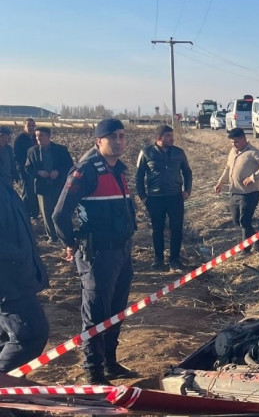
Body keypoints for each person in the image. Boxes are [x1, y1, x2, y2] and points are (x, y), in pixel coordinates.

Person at [52, 118, 137, 385]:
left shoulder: (119, 171)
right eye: (113, 136)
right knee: (96, 314)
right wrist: (70, 243)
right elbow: (59, 215)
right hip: (97, 255)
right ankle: (93, 371)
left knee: (115, 311)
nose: (119, 141)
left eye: (122, 136)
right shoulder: (85, 172)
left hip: (122, 253)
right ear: (99, 141)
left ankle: (110, 363)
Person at [0, 179, 50, 374]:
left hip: (17, 276)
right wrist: (17, 255)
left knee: (7, 339)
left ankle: (8, 399)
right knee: (28, 336)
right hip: (9, 282)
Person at [135, 125, 193, 271]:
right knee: (157, 229)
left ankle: (175, 259)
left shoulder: (179, 153)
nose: (171, 138)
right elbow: (139, 176)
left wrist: (187, 190)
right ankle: (158, 259)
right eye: (168, 136)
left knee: (176, 228)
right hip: (155, 198)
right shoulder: (146, 153)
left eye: (172, 135)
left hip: (175, 197)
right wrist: (143, 196)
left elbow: (187, 172)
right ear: (159, 138)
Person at [214, 128, 259, 254]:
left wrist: (253, 177)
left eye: (236, 141)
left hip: (250, 193)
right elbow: (228, 167)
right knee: (237, 221)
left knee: (244, 220)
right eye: (231, 142)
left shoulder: (253, 152)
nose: (233, 144)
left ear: (243, 139)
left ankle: (245, 250)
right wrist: (221, 182)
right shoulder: (233, 152)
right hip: (235, 192)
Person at [25, 127, 74, 243]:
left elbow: (69, 165)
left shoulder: (60, 150)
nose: (38, 138)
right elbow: (27, 168)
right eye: (36, 136)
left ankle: (64, 235)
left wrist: (58, 172)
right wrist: (38, 172)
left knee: (61, 212)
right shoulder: (32, 151)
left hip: (58, 186)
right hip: (42, 187)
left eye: (41, 135)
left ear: (49, 136)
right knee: (47, 213)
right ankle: (52, 236)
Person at [13, 118, 38, 219]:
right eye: (29, 126)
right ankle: (26, 213)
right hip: (25, 171)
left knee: (35, 192)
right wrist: (21, 171)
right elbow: (17, 157)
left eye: (33, 126)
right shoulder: (19, 139)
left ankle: (35, 213)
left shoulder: (36, 138)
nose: (31, 128)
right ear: (24, 126)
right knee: (27, 193)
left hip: (36, 171)